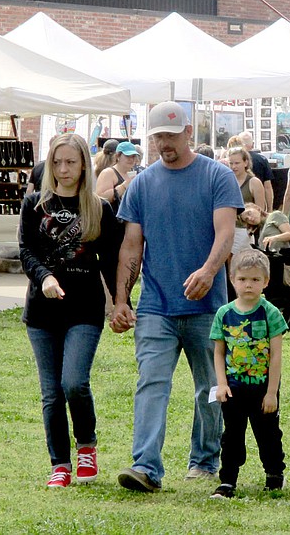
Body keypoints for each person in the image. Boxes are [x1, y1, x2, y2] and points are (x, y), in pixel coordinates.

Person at [110, 101, 244, 492]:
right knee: (151, 382)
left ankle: (204, 460)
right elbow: (131, 247)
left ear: (188, 132)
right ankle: (146, 466)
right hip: (155, 305)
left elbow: (225, 233)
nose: (164, 144)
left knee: (209, 386)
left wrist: (207, 270)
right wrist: (122, 300)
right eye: (157, 138)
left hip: (207, 305)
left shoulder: (217, 176)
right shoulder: (142, 184)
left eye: (170, 136)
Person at [19, 133, 121, 488]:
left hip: (84, 309)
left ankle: (87, 446)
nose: (63, 169)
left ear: (84, 165)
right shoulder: (34, 204)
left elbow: (110, 261)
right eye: (57, 162)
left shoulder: (98, 207)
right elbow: (26, 252)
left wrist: (120, 303)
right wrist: (45, 277)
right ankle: (59, 463)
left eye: (71, 162)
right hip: (42, 313)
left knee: (74, 383)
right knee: (51, 391)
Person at [209, 248, 288, 498]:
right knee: (231, 437)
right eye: (242, 279)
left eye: (255, 280)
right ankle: (228, 481)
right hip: (234, 388)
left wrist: (272, 393)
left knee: (268, 436)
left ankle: (274, 473)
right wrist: (222, 384)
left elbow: (276, 355)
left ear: (266, 281)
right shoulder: (224, 314)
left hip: (262, 389)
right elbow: (219, 353)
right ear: (232, 280)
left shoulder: (270, 314)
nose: (248, 285)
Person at [227, 146, 266, 261]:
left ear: (246, 162)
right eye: (231, 163)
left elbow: (260, 211)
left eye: (237, 163)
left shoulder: (254, 182)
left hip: (245, 232)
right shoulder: (227, 180)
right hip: (228, 229)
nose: (234, 166)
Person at [95, 141, 140, 214]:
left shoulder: (134, 174)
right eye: (127, 156)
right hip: (112, 220)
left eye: (133, 156)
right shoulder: (108, 173)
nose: (131, 159)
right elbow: (100, 198)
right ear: (118, 156)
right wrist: (123, 186)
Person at [239, 131, 274, 211]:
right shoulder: (262, 159)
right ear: (253, 144)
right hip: (259, 203)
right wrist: (269, 209)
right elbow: (268, 187)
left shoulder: (236, 161)